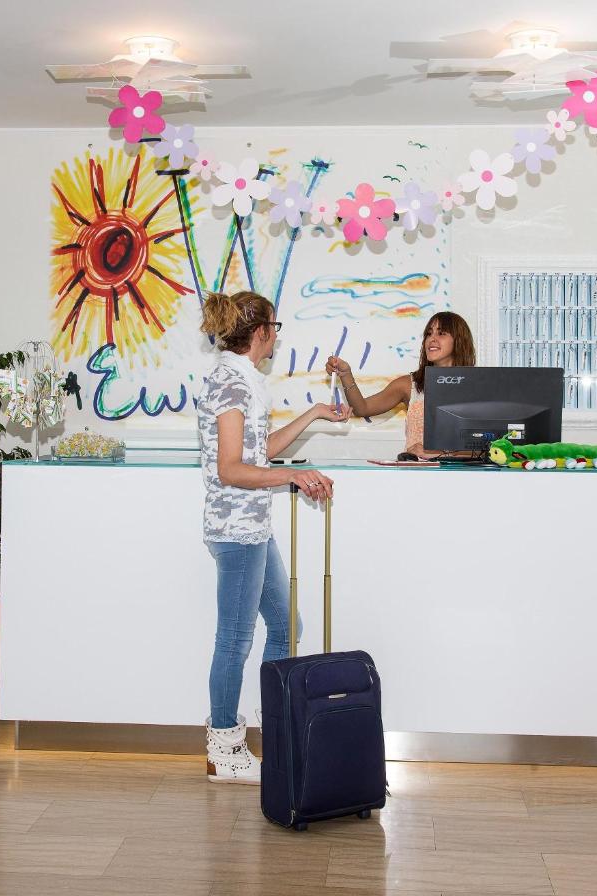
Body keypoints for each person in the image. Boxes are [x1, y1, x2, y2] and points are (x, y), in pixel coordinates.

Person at [197, 290, 351, 785]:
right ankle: (223, 747)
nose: (276, 338)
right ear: (261, 332)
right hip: (237, 533)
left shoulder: (243, 382)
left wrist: (314, 414)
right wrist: (294, 479)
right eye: (275, 329)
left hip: (254, 528)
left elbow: (260, 452)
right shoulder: (231, 385)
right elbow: (231, 469)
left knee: (287, 624)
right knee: (234, 641)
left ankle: (276, 723)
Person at [325, 311, 476, 458]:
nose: (432, 339)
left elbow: (486, 448)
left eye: (441, 333)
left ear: (459, 341)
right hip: (415, 476)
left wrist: (439, 454)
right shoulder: (409, 384)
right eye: (429, 334)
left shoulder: (476, 387)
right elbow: (362, 408)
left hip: (460, 478)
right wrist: (345, 374)